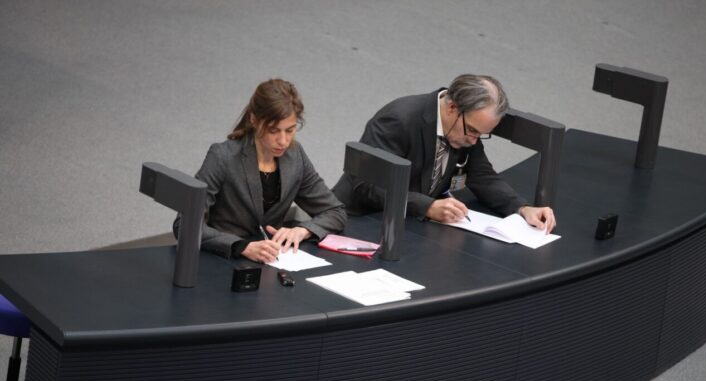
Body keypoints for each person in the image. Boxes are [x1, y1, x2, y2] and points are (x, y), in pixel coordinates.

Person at [332, 74, 556, 233]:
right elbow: (367, 186)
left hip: (408, 223)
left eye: (482, 135)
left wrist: (522, 208)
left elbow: (482, 176)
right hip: (360, 219)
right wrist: (427, 206)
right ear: (452, 108)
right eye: (473, 131)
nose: (474, 141)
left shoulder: (465, 128)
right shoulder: (399, 119)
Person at [175, 78, 346, 263]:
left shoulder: (295, 156)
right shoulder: (222, 156)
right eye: (274, 130)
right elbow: (185, 224)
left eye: (290, 130)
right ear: (254, 120)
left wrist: (303, 230)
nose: (283, 141)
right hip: (222, 260)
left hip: (271, 262)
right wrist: (241, 246)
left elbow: (335, 211)